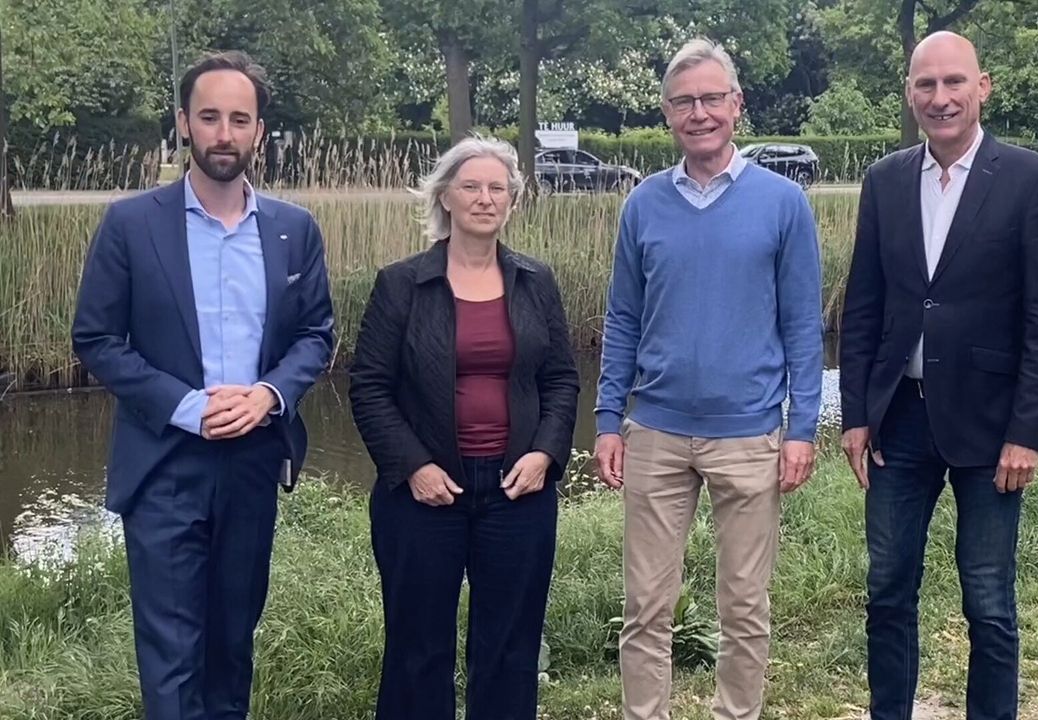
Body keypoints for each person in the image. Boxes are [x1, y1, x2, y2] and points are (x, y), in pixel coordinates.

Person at [71, 50, 335, 720]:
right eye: (210, 117)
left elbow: (315, 336)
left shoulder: (292, 230)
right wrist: (186, 407)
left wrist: (268, 395)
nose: (225, 133)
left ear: (259, 133)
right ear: (184, 123)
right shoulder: (130, 224)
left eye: (239, 119)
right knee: (171, 656)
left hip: (251, 460)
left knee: (230, 645)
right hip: (164, 462)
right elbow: (96, 339)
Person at [838, 31, 1038, 720]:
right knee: (887, 590)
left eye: (953, 83)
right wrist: (856, 414)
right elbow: (864, 307)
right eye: (925, 85)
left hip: (992, 425)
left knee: (989, 599)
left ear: (983, 86)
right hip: (899, 422)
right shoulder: (883, 181)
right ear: (910, 94)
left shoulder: (1030, 180)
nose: (939, 98)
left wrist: (1028, 431)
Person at [593, 37, 824, 720]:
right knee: (644, 608)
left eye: (712, 98)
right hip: (656, 432)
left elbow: (802, 326)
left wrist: (801, 427)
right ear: (667, 113)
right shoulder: (643, 206)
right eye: (685, 101)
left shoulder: (783, 205)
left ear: (737, 105)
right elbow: (623, 320)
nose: (700, 112)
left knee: (745, 607)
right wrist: (608, 419)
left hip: (749, 434)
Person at [348, 136, 579, 720]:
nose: (484, 198)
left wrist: (547, 454)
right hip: (425, 495)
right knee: (417, 648)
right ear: (445, 196)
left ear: (512, 201)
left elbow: (561, 381)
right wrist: (414, 466)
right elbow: (369, 386)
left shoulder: (535, 281)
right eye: (470, 186)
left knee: (508, 647)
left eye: (497, 188)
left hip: (515, 492)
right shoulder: (402, 283)